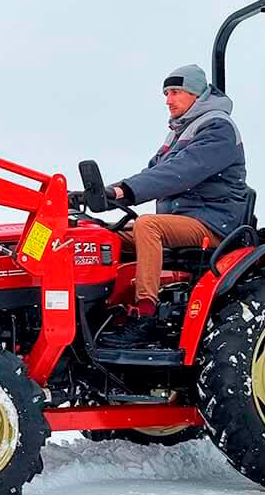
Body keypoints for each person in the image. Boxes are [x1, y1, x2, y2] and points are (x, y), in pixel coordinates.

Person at [104, 64, 248, 345]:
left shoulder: (218, 128)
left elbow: (179, 172)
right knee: (105, 237)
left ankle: (145, 314)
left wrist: (125, 191)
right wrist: (107, 194)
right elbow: (152, 173)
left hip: (213, 222)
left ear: (196, 94)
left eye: (175, 92)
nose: (168, 100)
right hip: (182, 221)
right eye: (166, 93)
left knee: (147, 226)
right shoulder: (179, 132)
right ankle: (102, 312)